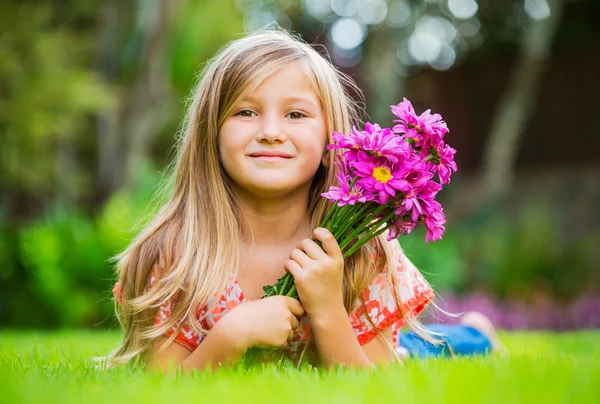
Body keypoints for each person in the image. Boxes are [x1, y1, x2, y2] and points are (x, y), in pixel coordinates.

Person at [102, 28, 496, 374]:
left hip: (383, 347)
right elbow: (161, 382)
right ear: (211, 136)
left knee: (432, 350)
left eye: (295, 114)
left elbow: (378, 385)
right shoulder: (176, 253)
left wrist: (327, 309)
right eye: (245, 111)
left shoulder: (361, 250)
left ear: (332, 143)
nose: (271, 131)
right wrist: (230, 334)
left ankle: (476, 334)